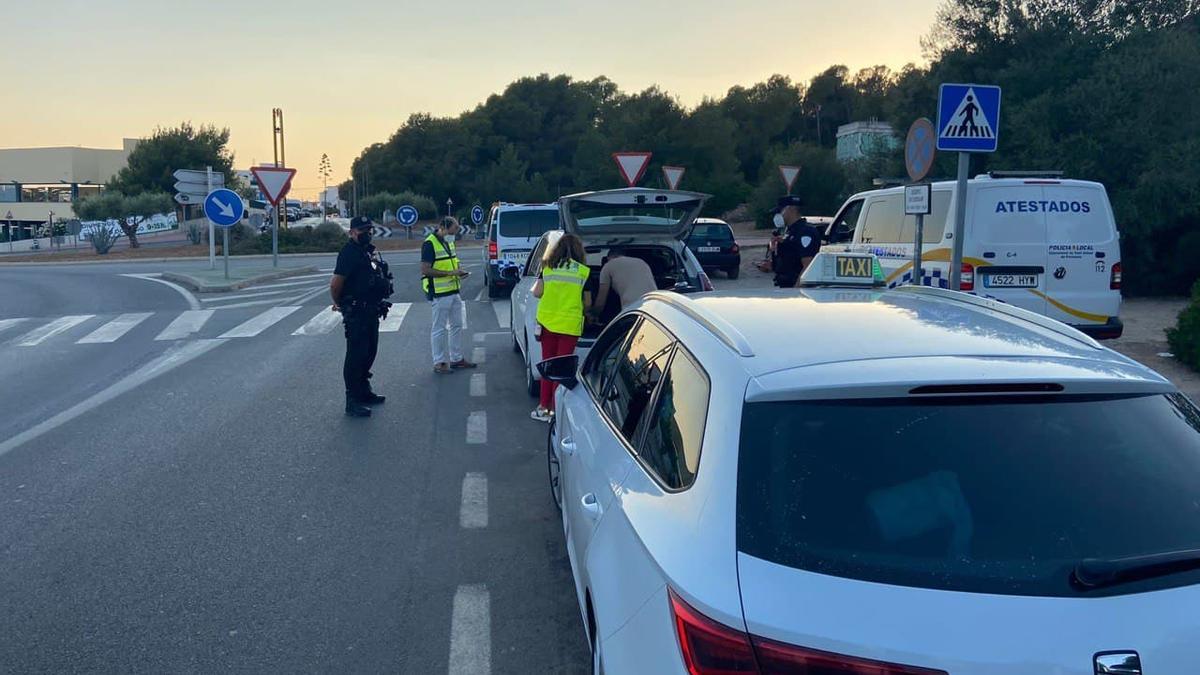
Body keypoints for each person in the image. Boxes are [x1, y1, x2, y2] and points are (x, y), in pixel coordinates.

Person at [331, 216, 394, 417]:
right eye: (361, 230)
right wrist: (339, 303)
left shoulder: (367, 252)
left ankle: (364, 391)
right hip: (356, 311)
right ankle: (352, 399)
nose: (366, 233)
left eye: (368, 230)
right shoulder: (348, 253)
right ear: (352, 232)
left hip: (371, 309)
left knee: (369, 351)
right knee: (355, 355)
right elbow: (335, 283)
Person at [531, 234, 591, 423]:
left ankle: (543, 407)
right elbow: (588, 302)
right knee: (562, 369)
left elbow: (537, 292)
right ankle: (557, 411)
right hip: (570, 326)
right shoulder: (583, 271)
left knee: (547, 365)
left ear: (556, 250)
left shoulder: (547, 269)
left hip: (547, 323)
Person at [422, 216, 476, 374]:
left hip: (453, 290)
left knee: (457, 325)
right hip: (439, 293)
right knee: (439, 328)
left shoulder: (449, 241)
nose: (455, 233)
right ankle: (438, 362)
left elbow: (453, 260)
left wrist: (460, 271)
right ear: (443, 227)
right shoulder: (429, 243)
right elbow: (425, 269)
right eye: (453, 230)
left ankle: (456, 358)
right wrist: (450, 273)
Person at [591, 246, 656, 320]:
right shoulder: (641, 262)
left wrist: (593, 314)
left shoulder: (608, 266)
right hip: (654, 302)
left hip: (633, 306)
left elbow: (601, 300)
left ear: (608, 258)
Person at [771, 196, 822, 288]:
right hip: (785, 287)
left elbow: (808, 265)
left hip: (796, 290)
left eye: (780, 211)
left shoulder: (805, 232)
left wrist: (796, 291)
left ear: (791, 209)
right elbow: (790, 260)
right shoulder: (790, 231)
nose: (778, 215)